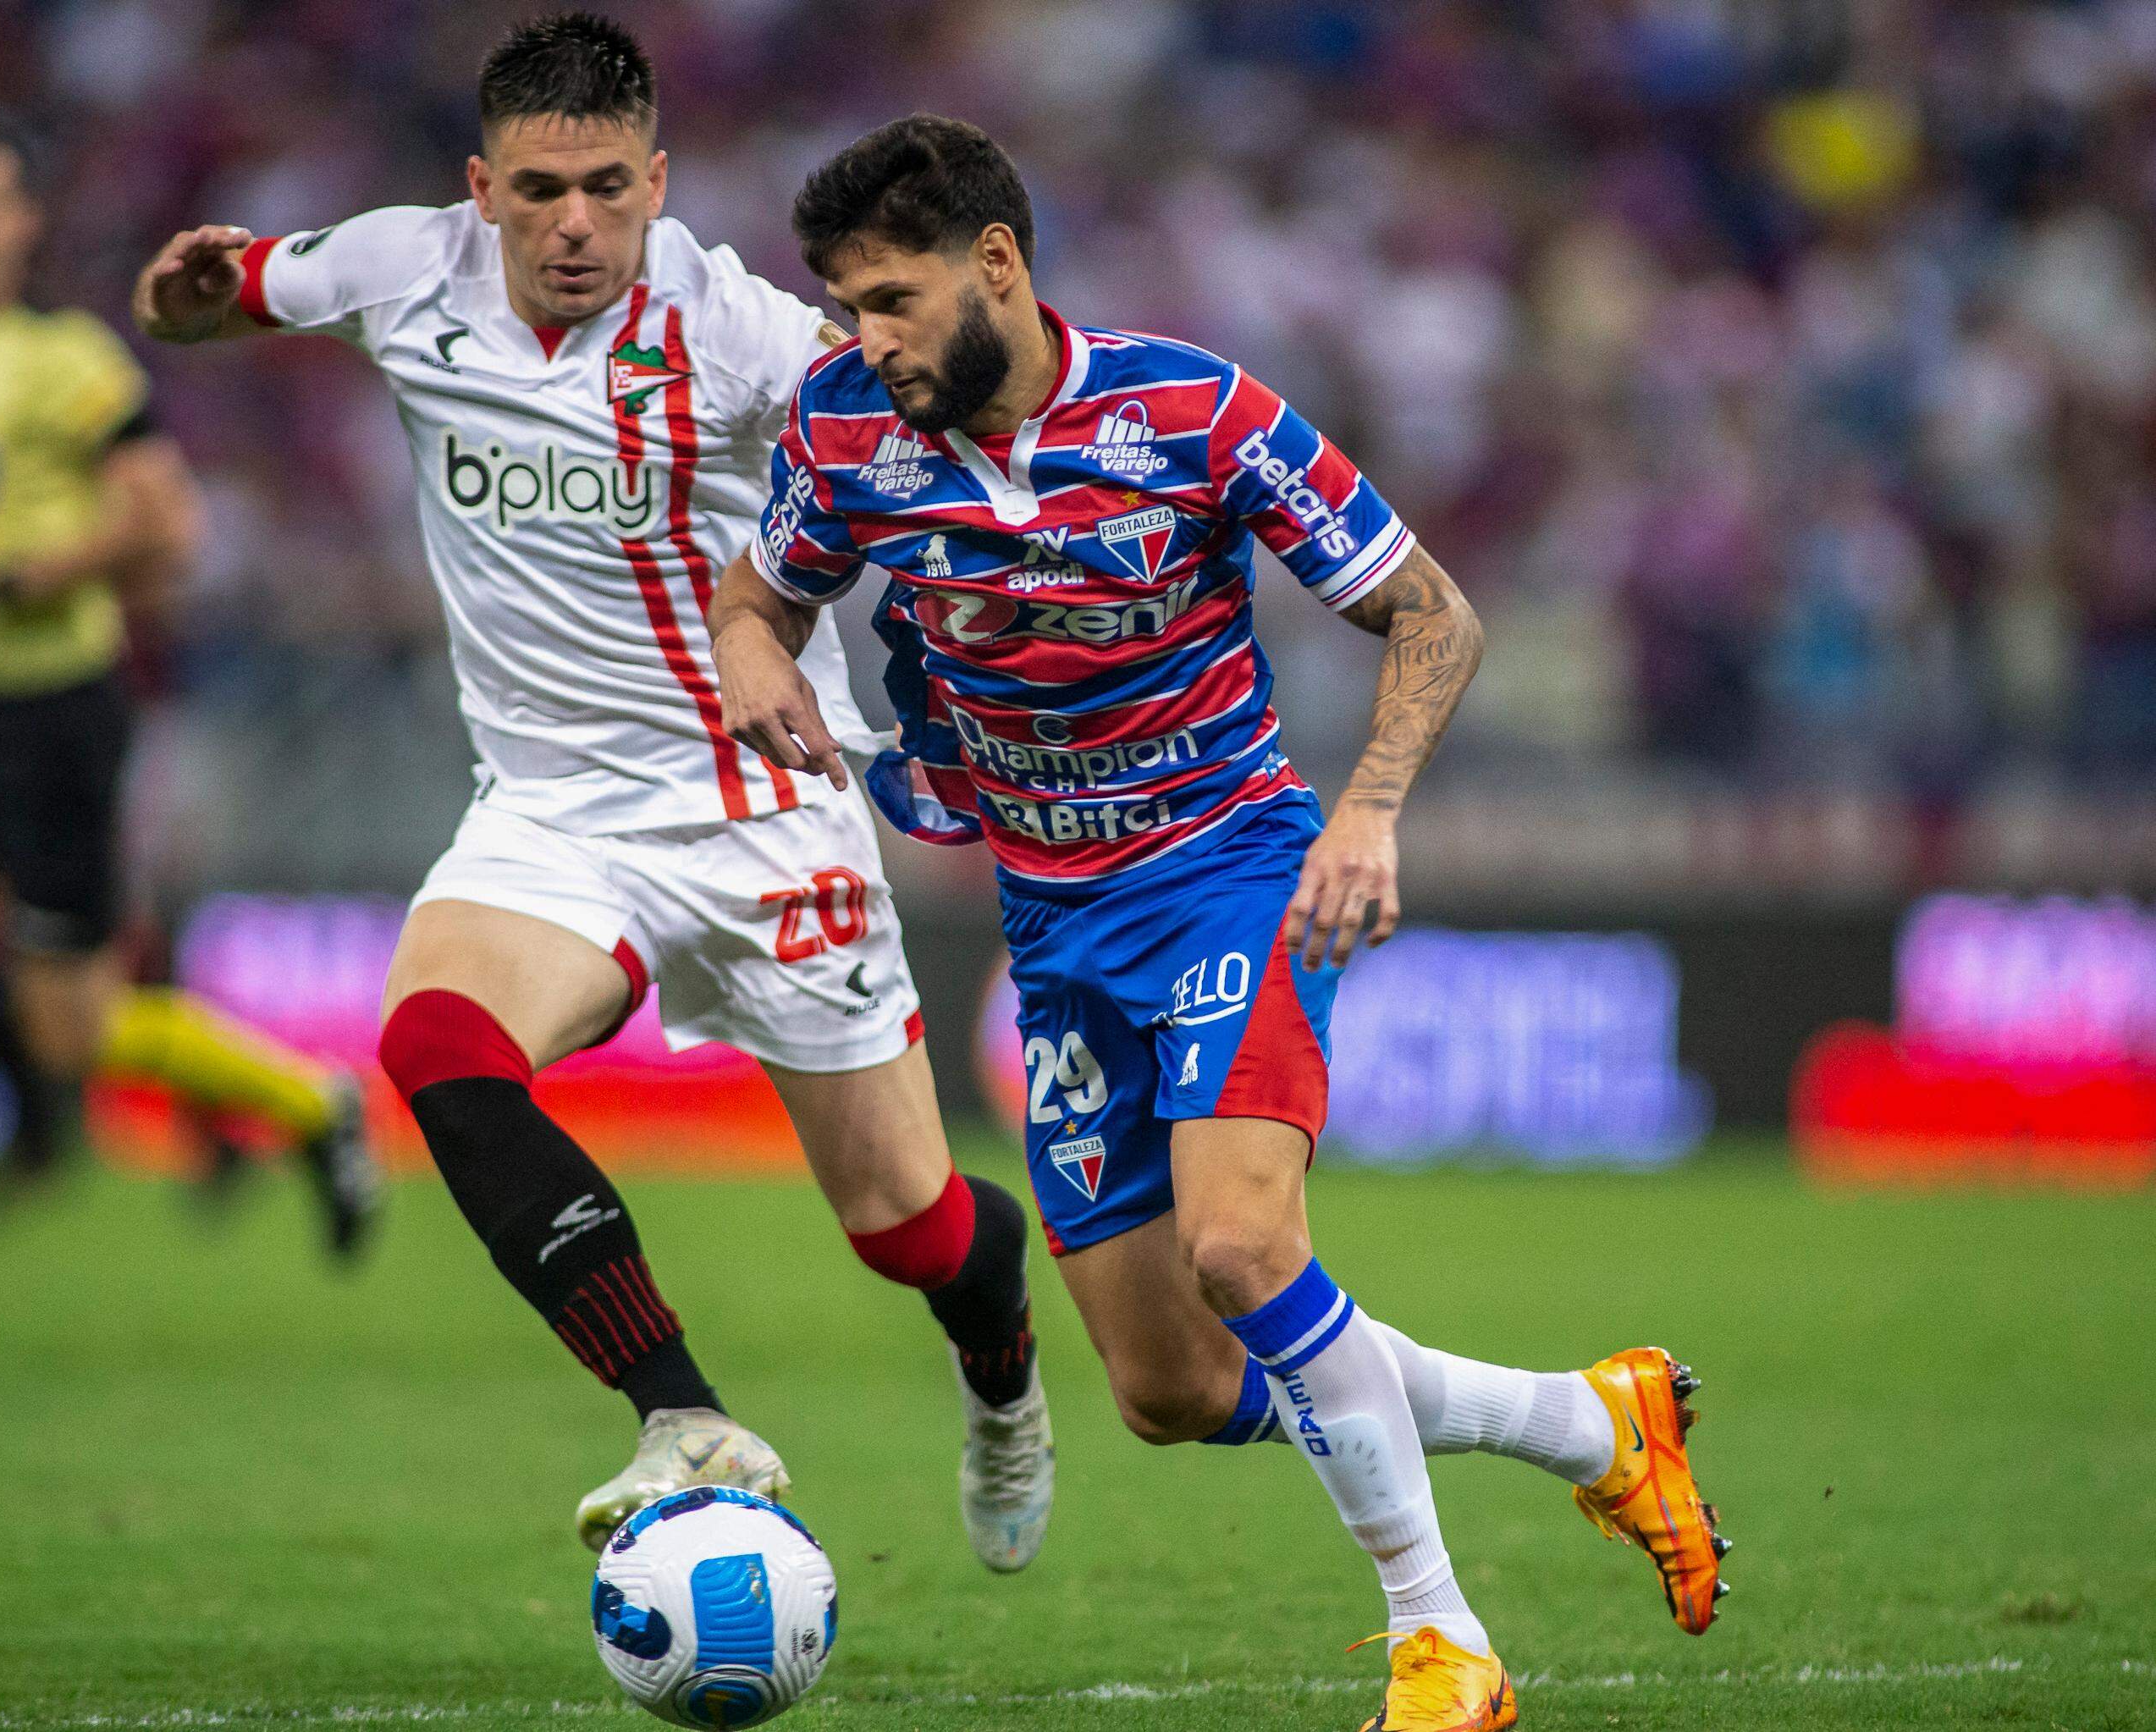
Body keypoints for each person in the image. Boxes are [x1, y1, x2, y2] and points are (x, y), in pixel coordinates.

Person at [709, 114, 1731, 1729]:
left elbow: (1429, 611)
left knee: (1244, 1244)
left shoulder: (1187, 407)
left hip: (1226, 869)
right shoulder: (846, 434)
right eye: (843, 309)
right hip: (1050, 923)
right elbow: (761, 592)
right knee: (1171, 1389)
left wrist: (1370, 813)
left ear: (997, 266)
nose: (864, 340)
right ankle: (1588, 1427)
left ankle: (1440, 1641)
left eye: (892, 300)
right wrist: (758, 653)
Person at [130, 14, 1053, 1566]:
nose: (576, 224)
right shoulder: (394, 269)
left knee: (907, 1224)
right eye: (543, 188)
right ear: (480, 187)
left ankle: (1003, 1363)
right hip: (551, 816)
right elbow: (228, 296)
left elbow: (935, 429)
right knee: (432, 1041)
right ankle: (680, 1413)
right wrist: (183, 297)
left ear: (658, 181)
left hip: (764, 810)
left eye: (609, 189)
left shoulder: (749, 334)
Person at [0, 123, 379, 1365]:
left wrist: (26, 574)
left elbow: (171, 530)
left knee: (71, 1031)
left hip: (54, 712)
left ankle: (314, 1100)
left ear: (24, 225)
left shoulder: (71, 364)